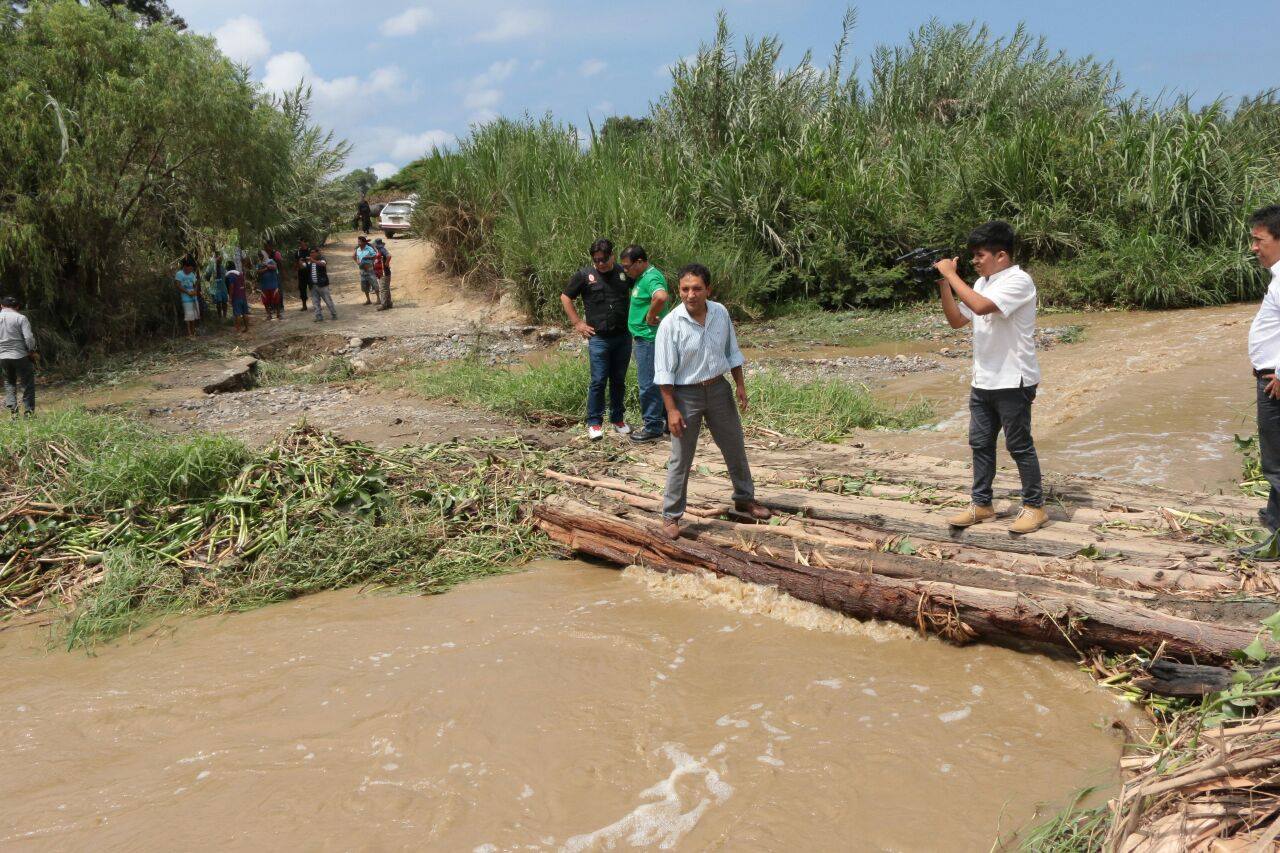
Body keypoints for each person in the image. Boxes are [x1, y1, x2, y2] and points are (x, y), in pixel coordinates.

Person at [932, 220, 1047, 535]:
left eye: (980, 255)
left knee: (1019, 445)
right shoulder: (981, 283)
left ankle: (1035, 507)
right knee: (980, 444)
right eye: (973, 255)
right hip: (983, 380)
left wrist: (951, 274)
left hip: (1014, 380)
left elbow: (981, 308)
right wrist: (944, 284)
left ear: (1001, 255)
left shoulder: (1019, 281)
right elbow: (957, 319)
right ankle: (981, 504)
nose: (974, 260)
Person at [655, 263, 771, 539]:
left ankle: (744, 498)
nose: (691, 294)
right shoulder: (670, 324)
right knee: (681, 457)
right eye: (685, 289)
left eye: (697, 288)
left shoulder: (720, 312)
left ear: (708, 289)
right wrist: (671, 411)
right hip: (685, 395)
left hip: (719, 389)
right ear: (678, 291)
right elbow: (664, 374)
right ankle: (671, 515)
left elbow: (732, 352)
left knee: (734, 445)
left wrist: (740, 385)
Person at [561, 238, 632, 440]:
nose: (600, 263)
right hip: (599, 338)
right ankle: (594, 423)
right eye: (596, 260)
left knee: (618, 380)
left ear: (612, 255)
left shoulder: (623, 273)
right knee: (599, 381)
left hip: (623, 336)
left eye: (604, 259)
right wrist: (577, 323)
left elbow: (639, 293)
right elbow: (566, 297)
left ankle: (618, 419)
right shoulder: (584, 275)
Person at [1242, 205, 1280, 559]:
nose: (1254, 246)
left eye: (1259, 240)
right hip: (1271, 378)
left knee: (1277, 463)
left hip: (1275, 382)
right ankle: (1274, 517)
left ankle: (1277, 543)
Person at [620, 244, 671, 442]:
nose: (625, 270)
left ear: (640, 262)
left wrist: (650, 315)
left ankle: (652, 426)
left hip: (649, 338)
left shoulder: (651, 277)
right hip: (645, 337)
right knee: (660, 380)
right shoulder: (641, 277)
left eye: (627, 266)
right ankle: (667, 422)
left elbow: (661, 296)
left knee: (648, 383)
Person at [0, 295, 37, 416]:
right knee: (27, 383)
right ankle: (28, 412)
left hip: (3, 356)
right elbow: (29, 338)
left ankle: (13, 411)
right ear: (17, 307)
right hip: (20, 355)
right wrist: (31, 351)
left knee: (9, 381)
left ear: (1, 306)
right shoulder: (21, 318)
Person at [305, 248, 338, 322]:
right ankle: (319, 317)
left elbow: (323, 264)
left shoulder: (322, 259)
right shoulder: (309, 262)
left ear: (317, 253)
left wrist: (312, 261)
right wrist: (301, 262)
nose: (311, 254)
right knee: (315, 302)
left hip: (322, 284)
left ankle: (334, 314)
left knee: (328, 301)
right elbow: (304, 268)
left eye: (313, 252)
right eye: (310, 253)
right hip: (313, 285)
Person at [256, 249, 284, 321]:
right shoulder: (259, 264)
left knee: (276, 300)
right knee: (266, 301)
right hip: (264, 285)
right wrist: (266, 269)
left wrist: (267, 266)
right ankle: (269, 315)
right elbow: (258, 272)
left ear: (264, 255)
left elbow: (274, 267)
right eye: (259, 256)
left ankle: (278, 314)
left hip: (273, 284)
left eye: (261, 255)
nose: (260, 257)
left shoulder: (271, 261)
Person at [175, 259, 200, 337]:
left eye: (192, 269)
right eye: (190, 268)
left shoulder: (192, 274)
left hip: (193, 297)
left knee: (194, 315)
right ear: (185, 267)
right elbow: (178, 285)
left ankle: (193, 332)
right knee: (188, 316)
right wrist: (187, 292)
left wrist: (195, 291)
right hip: (185, 298)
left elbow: (195, 283)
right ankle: (189, 333)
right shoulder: (179, 274)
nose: (191, 270)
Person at [226, 262, 250, 334]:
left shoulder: (231, 275)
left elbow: (231, 286)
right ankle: (246, 328)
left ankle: (238, 330)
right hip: (243, 295)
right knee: (245, 312)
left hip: (236, 296)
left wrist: (230, 297)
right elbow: (244, 284)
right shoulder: (240, 274)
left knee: (237, 314)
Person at [353, 235, 378, 305]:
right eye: (358, 241)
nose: (358, 243)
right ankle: (368, 300)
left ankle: (378, 299)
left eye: (360, 241)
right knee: (364, 286)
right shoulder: (358, 249)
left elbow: (375, 255)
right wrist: (357, 262)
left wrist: (368, 257)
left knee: (374, 284)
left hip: (369, 269)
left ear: (364, 242)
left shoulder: (369, 248)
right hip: (362, 270)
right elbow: (354, 256)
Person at [204, 252, 228, 320]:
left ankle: (225, 317)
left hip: (223, 287)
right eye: (219, 257)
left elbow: (225, 277)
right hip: (216, 288)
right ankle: (219, 317)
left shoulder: (223, 267)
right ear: (215, 258)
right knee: (218, 302)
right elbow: (207, 276)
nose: (220, 259)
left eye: (221, 258)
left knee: (224, 302)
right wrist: (211, 282)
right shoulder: (211, 266)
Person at [374, 237, 393, 310]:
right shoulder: (380, 250)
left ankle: (384, 304)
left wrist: (386, 263)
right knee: (386, 288)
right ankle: (389, 303)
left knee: (383, 289)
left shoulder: (382, 250)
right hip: (383, 272)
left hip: (384, 272)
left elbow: (389, 256)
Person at [295, 238, 311, 310]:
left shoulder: (310, 250)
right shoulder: (297, 252)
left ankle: (317, 303)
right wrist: (298, 266)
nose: (300, 244)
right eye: (299, 243)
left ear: (305, 242)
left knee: (313, 288)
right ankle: (304, 305)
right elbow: (295, 263)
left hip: (310, 272)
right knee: (302, 289)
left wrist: (307, 260)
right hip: (301, 273)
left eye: (301, 242)